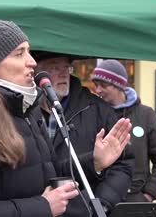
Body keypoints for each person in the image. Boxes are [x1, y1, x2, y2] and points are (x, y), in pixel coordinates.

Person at [0, 20, 132, 217]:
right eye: (19, 54)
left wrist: (95, 162)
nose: (32, 62)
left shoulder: (25, 111)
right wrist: (44, 207)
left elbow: (46, 173)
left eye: (28, 51)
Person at [35, 52, 135, 213]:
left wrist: (102, 203)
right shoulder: (24, 111)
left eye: (66, 67)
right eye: (54, 67)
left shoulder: (98, 109)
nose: (63, 73)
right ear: (36, 74)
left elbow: (124, 163)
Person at [92, 59, 156, 202]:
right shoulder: (92, 114)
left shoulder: (145, 115)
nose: (97, 90)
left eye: (103, 85)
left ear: (119, 86)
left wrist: (149, 194)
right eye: (96, 85)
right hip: (100, 200)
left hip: (135, 199)